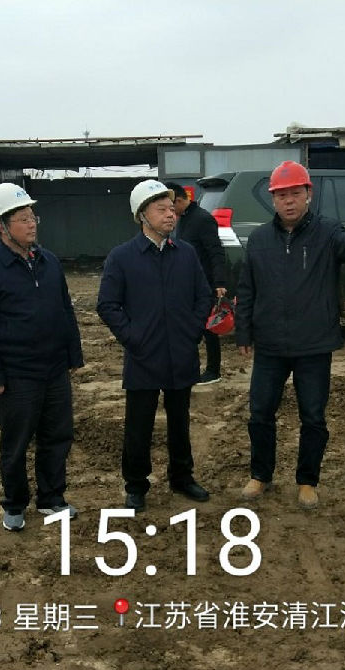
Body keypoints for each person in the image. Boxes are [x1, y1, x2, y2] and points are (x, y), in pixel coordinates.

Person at [235, 160, 345, 509]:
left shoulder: (327, 232)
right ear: (273, 199)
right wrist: (244, 332)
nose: (289, 201)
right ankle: (260, 475)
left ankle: (307, 481)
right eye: (281, 195)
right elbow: (247, 288)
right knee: (260, 413)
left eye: (295, 193)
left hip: (314, 344)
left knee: (313, 416)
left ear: (308, 194)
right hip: (270, 344)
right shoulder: (259, 239)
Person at [0, 183, 84, 532]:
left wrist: (73, 355)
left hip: (54, 370)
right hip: (16, 376)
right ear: (2, 226)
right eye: (22, 219)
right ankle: (15, 504)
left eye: (33, 217)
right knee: (15, 444)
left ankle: (52, 498)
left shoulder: (49, 262)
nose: (32, 224)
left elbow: (65, 310)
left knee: (57, 437)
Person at [97, 179, 212, 512]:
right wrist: (133, 338)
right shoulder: (122, 257)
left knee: (180, 422)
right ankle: (136, 485)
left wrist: (192, 332)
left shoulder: (186, 254)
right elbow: (108, 305)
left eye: (171, 208)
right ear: (142, 215)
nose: (170, 214)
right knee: (139, 425)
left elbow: (203, 296)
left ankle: (182, 477)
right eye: (161, 209)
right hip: (143, 357)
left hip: (181, 354)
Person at [165, 182, 228, 385]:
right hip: (187, 284)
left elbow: (216, 252)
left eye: (171, 206)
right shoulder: (183, 219)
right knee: (190, 327)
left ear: (180, 200)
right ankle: (189, 367)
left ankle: (213, 370)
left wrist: (219, 282)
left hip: (205, 284)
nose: (169, 211)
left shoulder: (202, 219)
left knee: (209, 329)